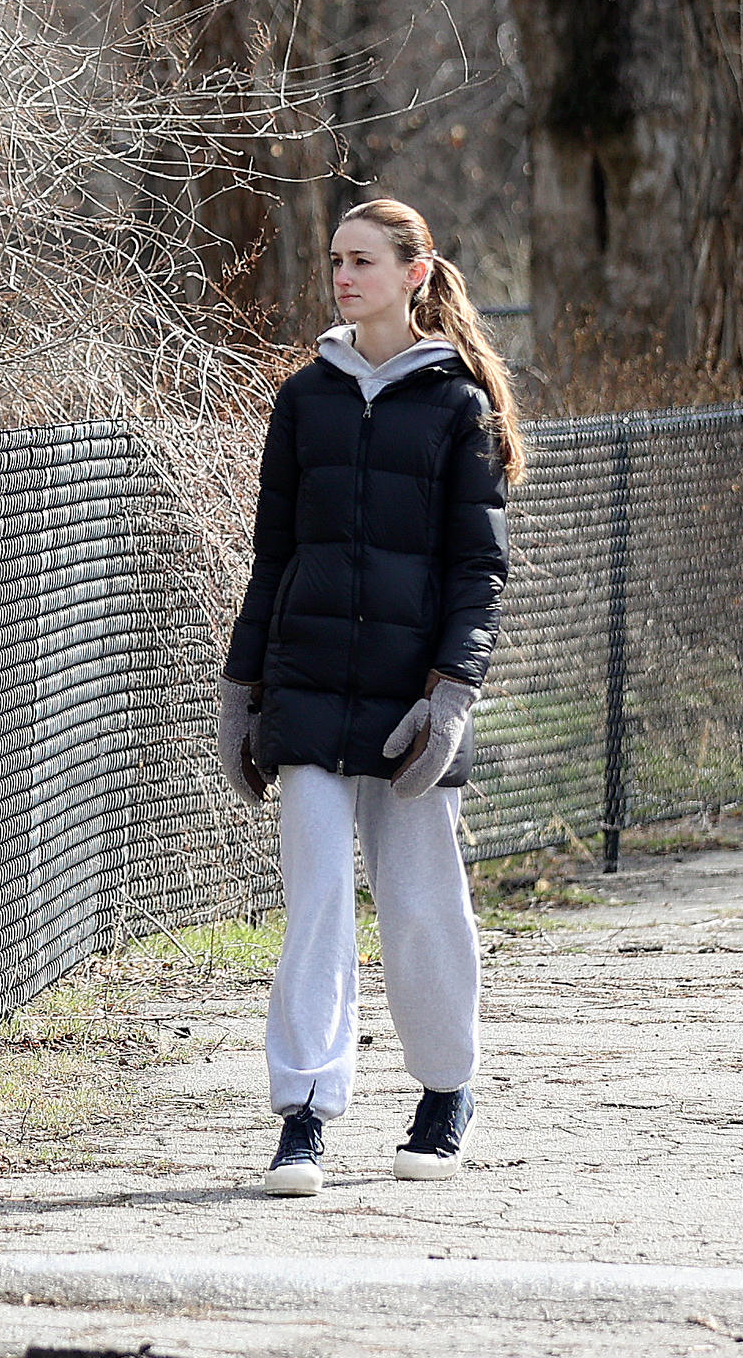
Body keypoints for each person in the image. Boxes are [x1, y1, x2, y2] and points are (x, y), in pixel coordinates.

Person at [217, 198, 523, 1196]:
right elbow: (273, 555)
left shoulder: (458, 404)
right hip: (306, 689)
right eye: (336, 261)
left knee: (422, 906)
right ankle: (303, 1114)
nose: (343, 276)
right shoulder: (303, 399)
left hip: (408, 704)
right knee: (313, 908)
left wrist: (452, 696)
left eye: (362, 261)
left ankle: (444, 1093)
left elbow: (480, 570)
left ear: (414, 273)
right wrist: (242, 690)